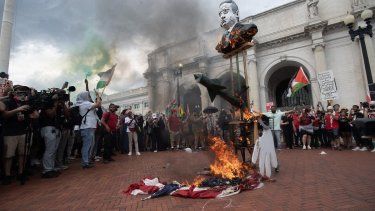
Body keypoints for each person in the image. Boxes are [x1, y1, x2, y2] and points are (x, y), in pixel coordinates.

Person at [1, 85, 37, 185]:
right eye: (20, 91)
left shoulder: (26, 103)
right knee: (9, 155)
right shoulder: (8, 101)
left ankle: (21, 173)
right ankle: (7, 175)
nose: (22, 93)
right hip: (10, 132)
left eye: (24, 92)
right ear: (14, 92)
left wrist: (31, 110)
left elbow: (35, 115)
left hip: (23, 131)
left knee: (23, 154)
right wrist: (18, 110)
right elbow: (4, 114)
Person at [76, 91, 101, 169]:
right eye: (88, 95)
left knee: (89, 145)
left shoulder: (84, 104)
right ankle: (85, 163)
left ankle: (86, 161)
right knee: (87, 146)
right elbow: (98, 105)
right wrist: (97, 96)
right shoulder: (85, 104)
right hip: (87, 127)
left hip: (88, 127)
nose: (89, 97)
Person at [252, 115, 278, 179]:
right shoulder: (258, 121)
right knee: (262, 155)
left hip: (268, 140)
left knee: (270, 154)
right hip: (263, 139)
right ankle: (262, 172)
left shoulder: (266, 118)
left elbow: (267, 127)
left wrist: (260, 121)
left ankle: (276, 166)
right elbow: (259, 131)